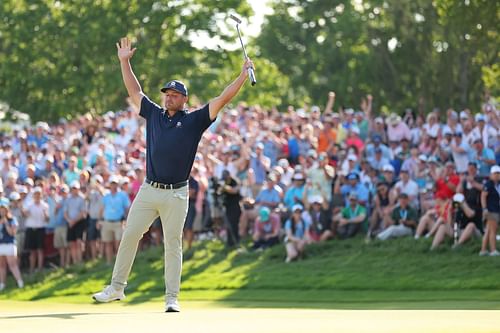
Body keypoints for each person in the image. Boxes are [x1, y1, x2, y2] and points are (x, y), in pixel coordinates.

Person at [93, 37, 254, 312]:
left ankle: (171, 298)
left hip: (177, 192)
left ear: (184, 99)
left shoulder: (194, 120)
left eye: (175, 94)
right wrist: (124, 61)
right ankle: (117, 288)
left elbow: (223, 98)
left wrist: (241, 75)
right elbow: (135, 91)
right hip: (149, 189)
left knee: (173, 244)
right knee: (130, 234)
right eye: (167, 93)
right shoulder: (154, 114)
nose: (169, 97)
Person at [99, 176, 130, 264]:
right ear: (109, 185)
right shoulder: (106, 196)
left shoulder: (122, 195)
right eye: (112, 184)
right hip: (107, 222)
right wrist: (100, 220)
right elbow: (102, 209)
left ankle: (120, 262)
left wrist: (127, 219)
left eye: (115, 183)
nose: (114, 186)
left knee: (119, 243)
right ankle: (109, 262)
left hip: (119, 222)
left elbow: (127, 208)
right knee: (108, 243)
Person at [23, 186, 49, 274]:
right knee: (32, 251)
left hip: (40, 229)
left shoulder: (44, 205)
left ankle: (40, 269)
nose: (37, 196)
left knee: (40, 250)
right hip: (31, 229)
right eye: (36, 194)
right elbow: (25, 214)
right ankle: (32, 269)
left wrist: (45, 215)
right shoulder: (29, 205)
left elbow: (47, 219)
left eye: (39, 194)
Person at [0, 198, 24, 291]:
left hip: (9, 244)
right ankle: (2, 284)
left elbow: (12, 233)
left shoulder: (12, 219)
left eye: (3, 209)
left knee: (12, 265)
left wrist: (5, 223)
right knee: (1, 266)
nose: (2, 211)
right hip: (0, 245)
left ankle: (20, 282)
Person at [479, 165, 500, 256]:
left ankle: (483, 250)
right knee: (493, 230)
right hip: (491, 210)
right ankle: (493, 250)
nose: (497, 175)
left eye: (498, 173)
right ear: (491, 174)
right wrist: (484, 209)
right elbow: (483, 196)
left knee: (488, 230)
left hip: (496, 209)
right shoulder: (489, 184)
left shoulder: (497, 185)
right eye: (495, 173)